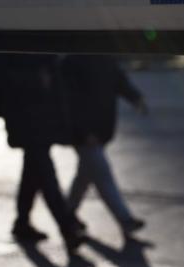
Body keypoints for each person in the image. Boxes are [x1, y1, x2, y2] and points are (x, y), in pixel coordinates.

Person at [0, 54, 82, 253]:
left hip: (39, 121)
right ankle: (67, 228)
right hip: (28, 122)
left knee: (32, 175)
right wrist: (37, 80)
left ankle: (22, 223)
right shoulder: (13, 49)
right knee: (46, 177)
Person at [62, 55, 147, 235]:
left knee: (84, 177)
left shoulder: (103, 55)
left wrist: (136, 98)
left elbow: (118, 79)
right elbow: (70, 99)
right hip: (86, 134)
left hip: (100, 130)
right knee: (103, 175)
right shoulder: (73, 60)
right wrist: (84, 131)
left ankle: (67, 213)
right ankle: (124, 219)